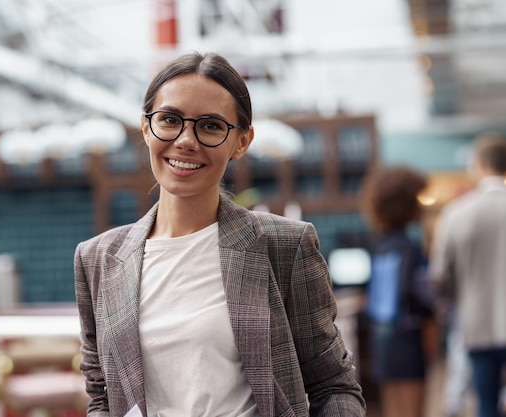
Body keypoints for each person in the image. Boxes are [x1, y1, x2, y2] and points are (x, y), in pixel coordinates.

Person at [73, 51, 366, 417]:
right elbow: (101, 394)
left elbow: (333, 386)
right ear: (147, 128)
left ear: (242, 141)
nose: (185, 140)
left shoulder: (284, 246)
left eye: (210, 126)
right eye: (170, 120)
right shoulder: (98, 258)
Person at [429, 132, 506, 417]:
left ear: (479, 164)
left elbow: (440, 276)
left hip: (478, 325)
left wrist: (461, 299)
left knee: (485, 405)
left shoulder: (456, 214)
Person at [359, 166, 436, 417]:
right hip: (408, 336)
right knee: (413, 411)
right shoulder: (409, 248)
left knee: (393, 409)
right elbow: (421, 296)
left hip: (382, 337)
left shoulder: (380, 246)